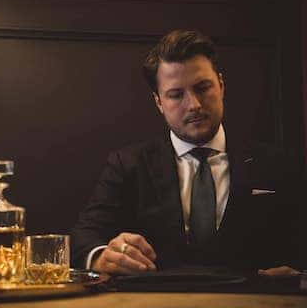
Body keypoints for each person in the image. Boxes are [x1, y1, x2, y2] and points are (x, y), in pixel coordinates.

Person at [71, 30, 305, 276]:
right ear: (159, 102)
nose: (193, 104)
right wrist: (101, 257)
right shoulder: (128, 164)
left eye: (203, 87)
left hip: (261, 307)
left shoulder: (279, 164)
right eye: (176, 95)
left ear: (221, 85)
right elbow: (83, 237)